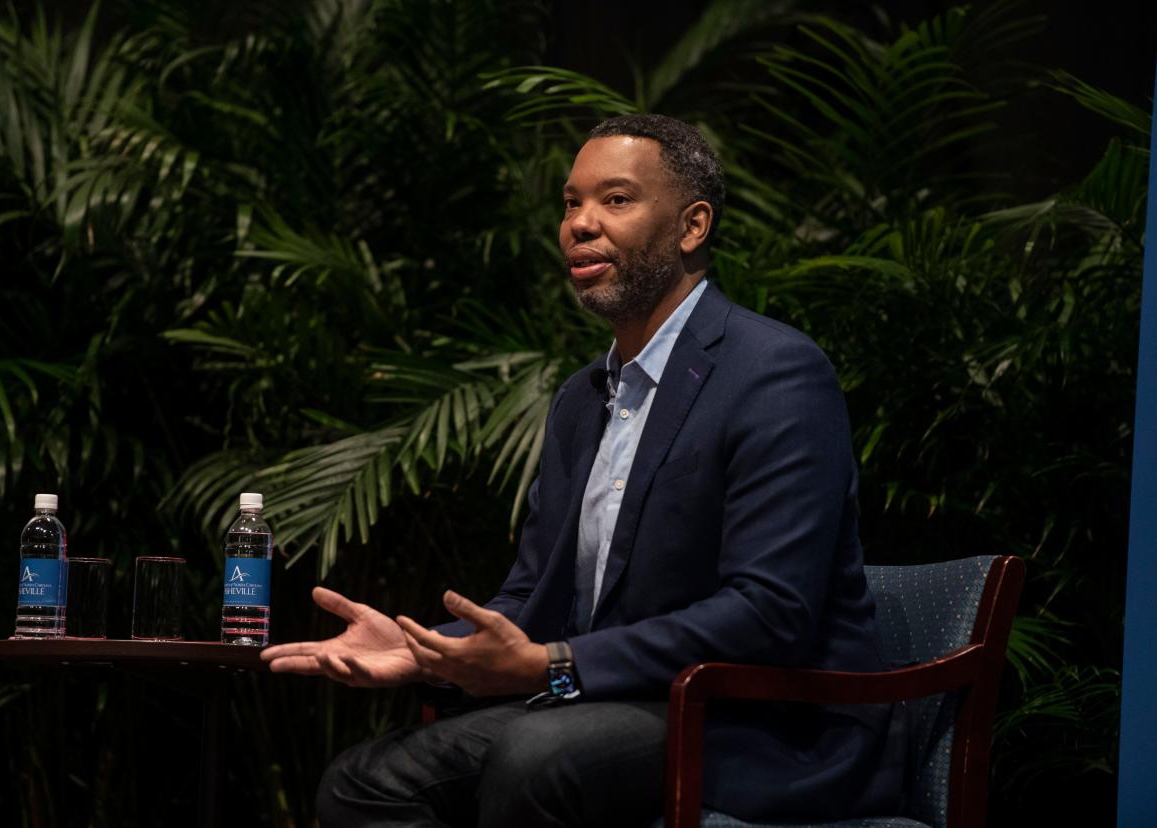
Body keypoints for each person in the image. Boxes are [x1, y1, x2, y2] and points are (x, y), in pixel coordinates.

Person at [262, 114, 905, 827]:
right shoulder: (581, 399)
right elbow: (533, 592)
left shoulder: (774, 374)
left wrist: (558, 664)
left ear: (693, 226)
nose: (580, 224)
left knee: (537, 758)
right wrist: (427, 651)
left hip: (763, 725)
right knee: (361, 783)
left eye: (616, 200)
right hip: (608, 706)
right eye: (571, 202)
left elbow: (769, 612)